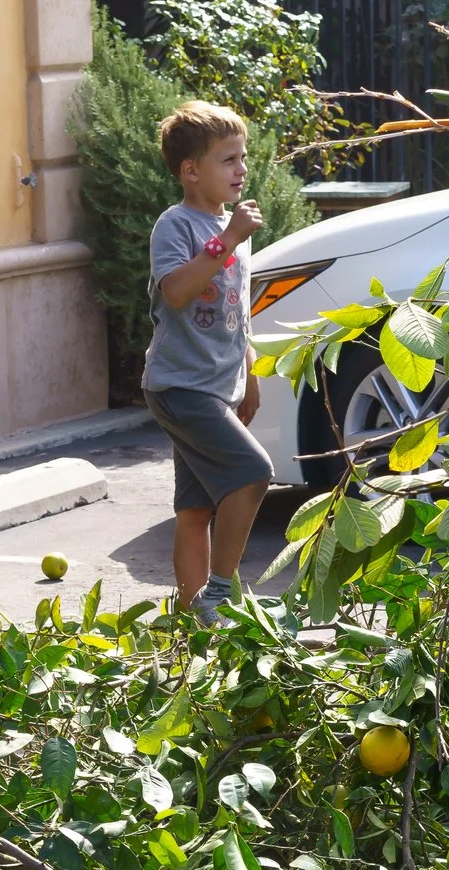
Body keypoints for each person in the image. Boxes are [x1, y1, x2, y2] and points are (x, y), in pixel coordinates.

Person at [144, 101, 273, 624]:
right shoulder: (178, 227)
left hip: (216, 388)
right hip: (180, 388)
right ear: (190, 170)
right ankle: (219, 594)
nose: (241, 169)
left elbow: (235, 312)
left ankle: (190, 618)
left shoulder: (225, 230)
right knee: (253, 472)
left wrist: (251, 375)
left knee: (195, 509)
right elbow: (176, 291)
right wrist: (228, 240)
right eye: (227, 160)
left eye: (242, 157)